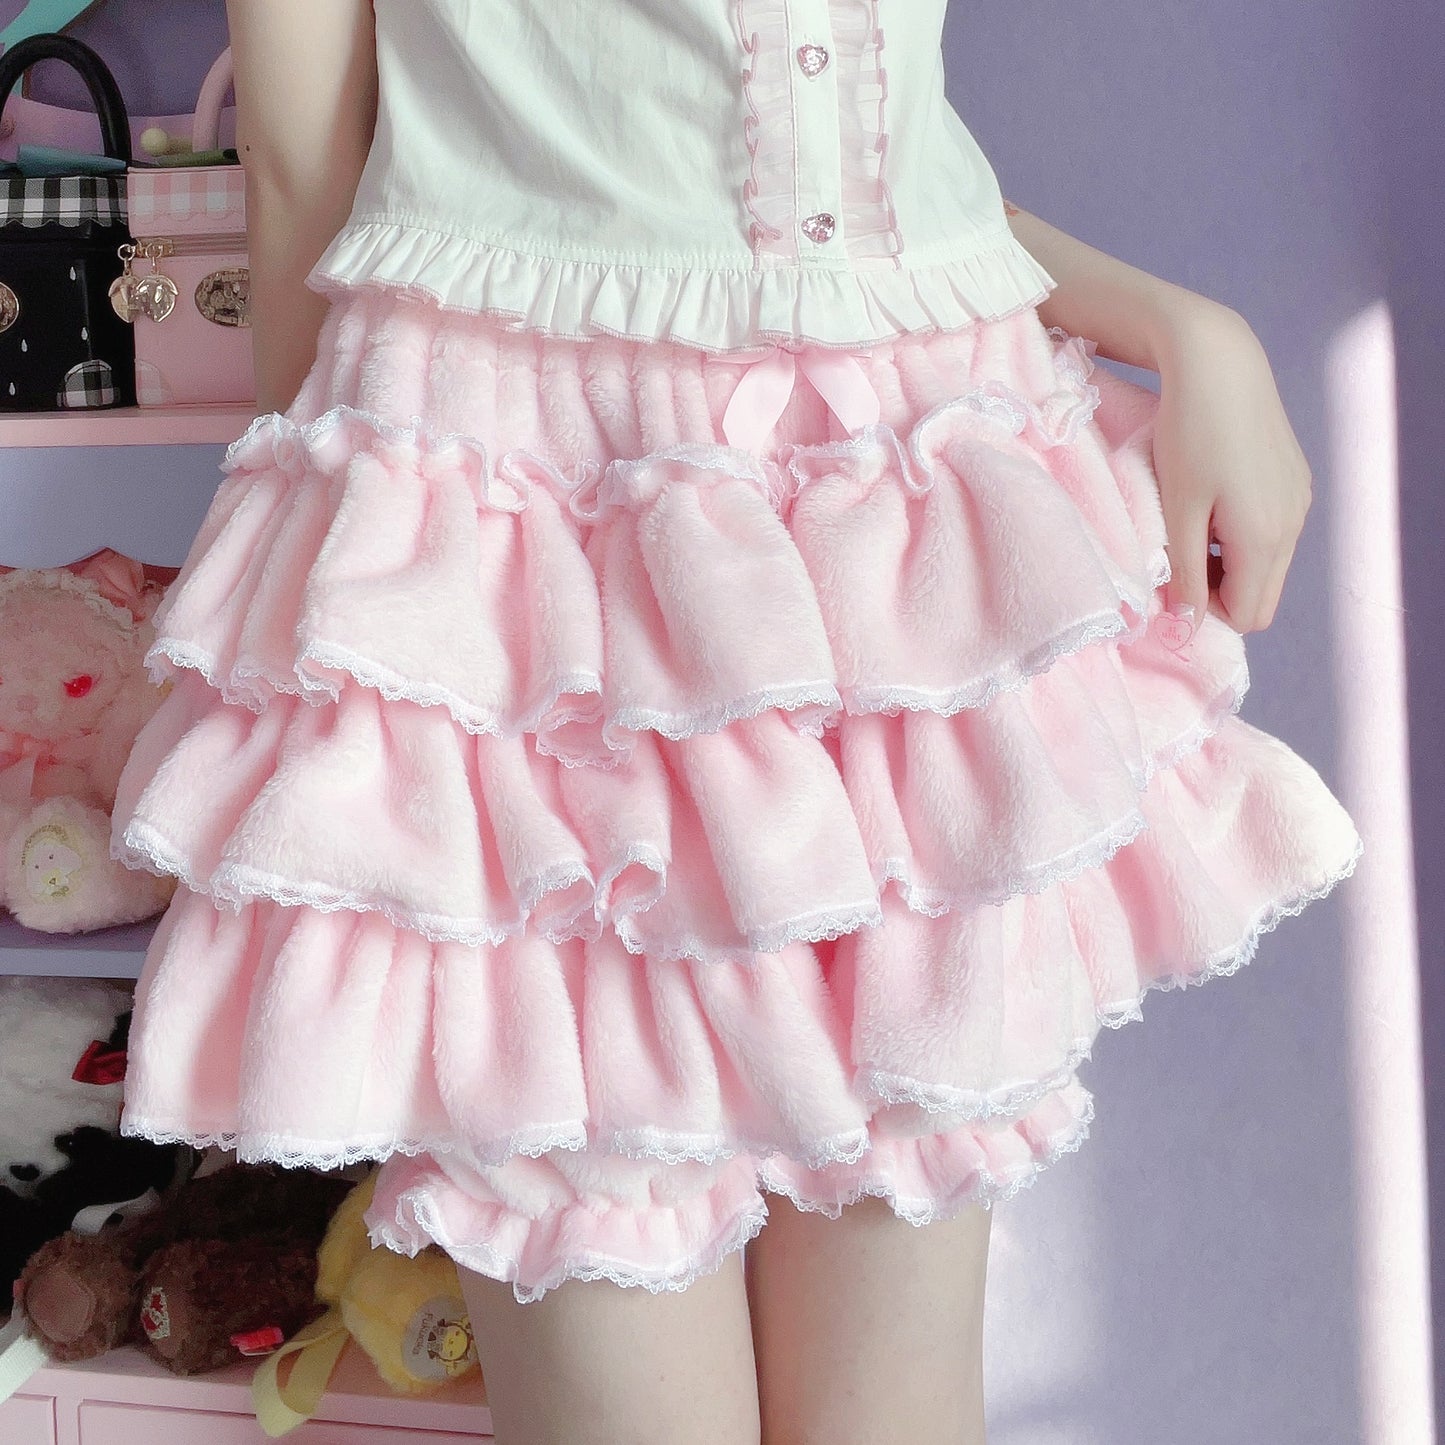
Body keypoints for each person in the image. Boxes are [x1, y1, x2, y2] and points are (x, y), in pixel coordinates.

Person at [109, 3, 1365, 1442]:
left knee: (890, 1389)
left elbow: (857, 168)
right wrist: (333, 614)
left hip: (890, 528)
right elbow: (304, 175)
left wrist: (1185, 328)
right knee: (621, 1286)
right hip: (553, 564)